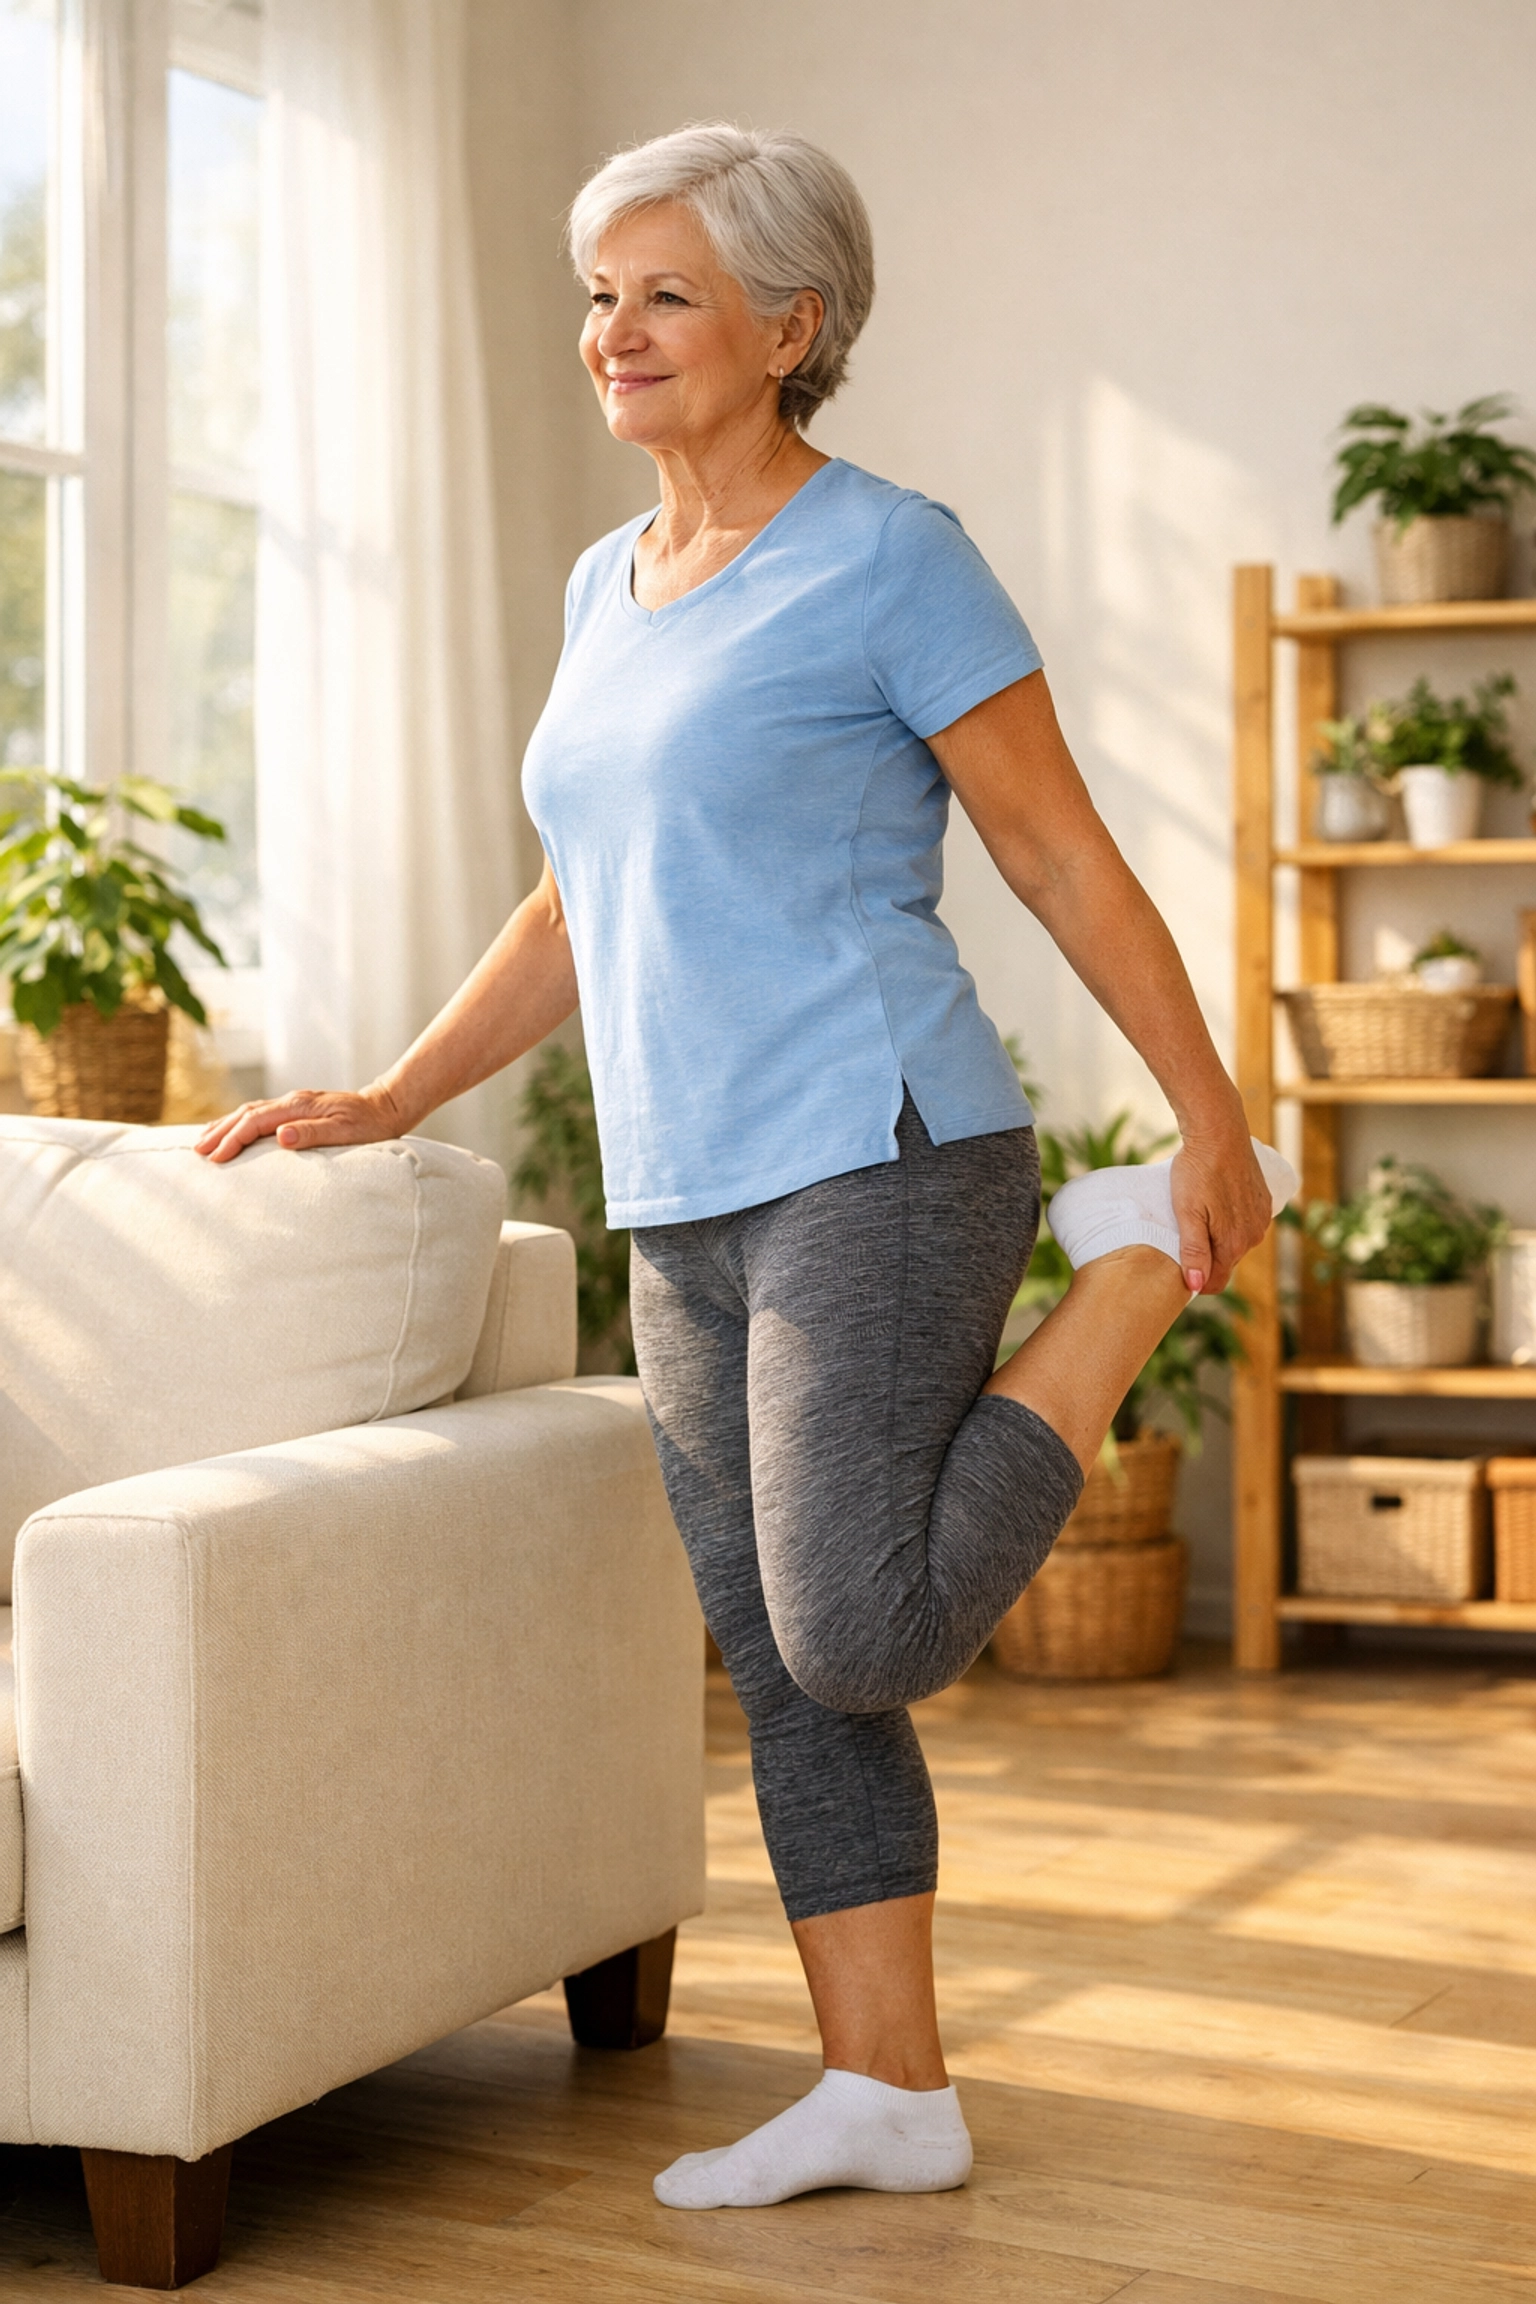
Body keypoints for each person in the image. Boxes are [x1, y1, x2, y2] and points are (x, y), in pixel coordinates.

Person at [198, 123, 1292, 2213]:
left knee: (859, 1629)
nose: (614, 332)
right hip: (683, 1179)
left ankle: (1131, 1272)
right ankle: (890, 2089)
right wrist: (397, 1093)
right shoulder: (612, 585)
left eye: (666, 292)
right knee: (787, 1659)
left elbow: (1056, 850)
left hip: (880, 1149)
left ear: (794, 327)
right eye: (600, 292)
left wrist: (1209, 1118)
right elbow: (572, 903)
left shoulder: (892, 553)